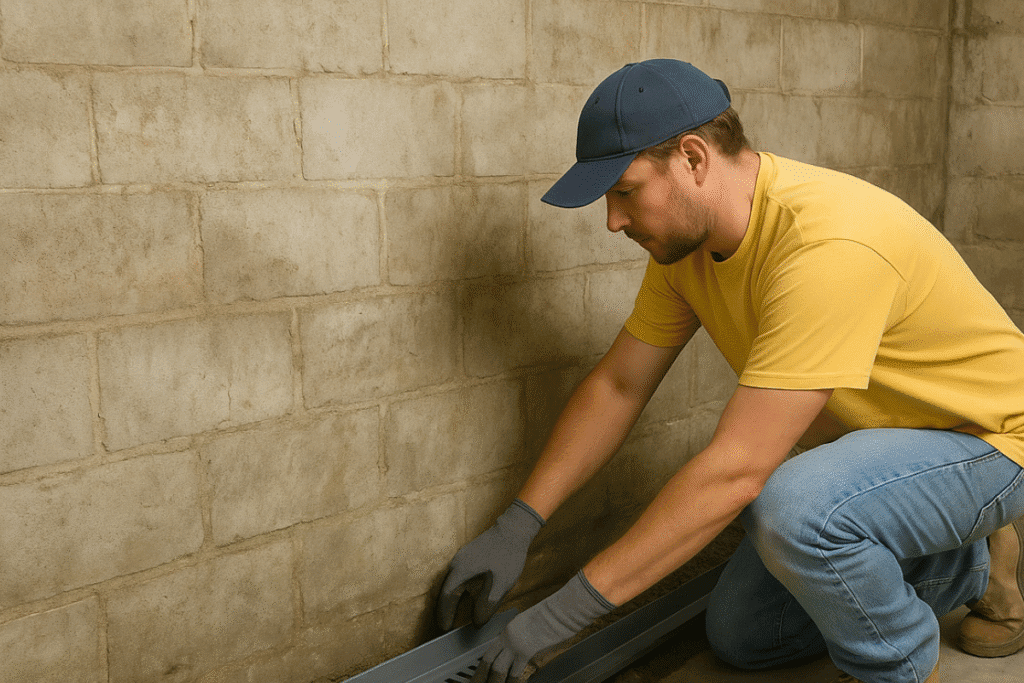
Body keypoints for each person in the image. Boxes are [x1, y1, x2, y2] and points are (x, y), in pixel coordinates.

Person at [435, 59, 1024, 683]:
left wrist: (560, 616)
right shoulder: (686, 251)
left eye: (625, 191)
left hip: (989, 441)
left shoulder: (827, 245)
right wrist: (519, 523)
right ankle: (967, 561)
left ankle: (904, 667)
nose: (613, 220)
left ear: (693, 158)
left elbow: (736, 471)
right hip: (884, 452)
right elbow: (619, 386)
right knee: (744, 634)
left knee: (794, 509)